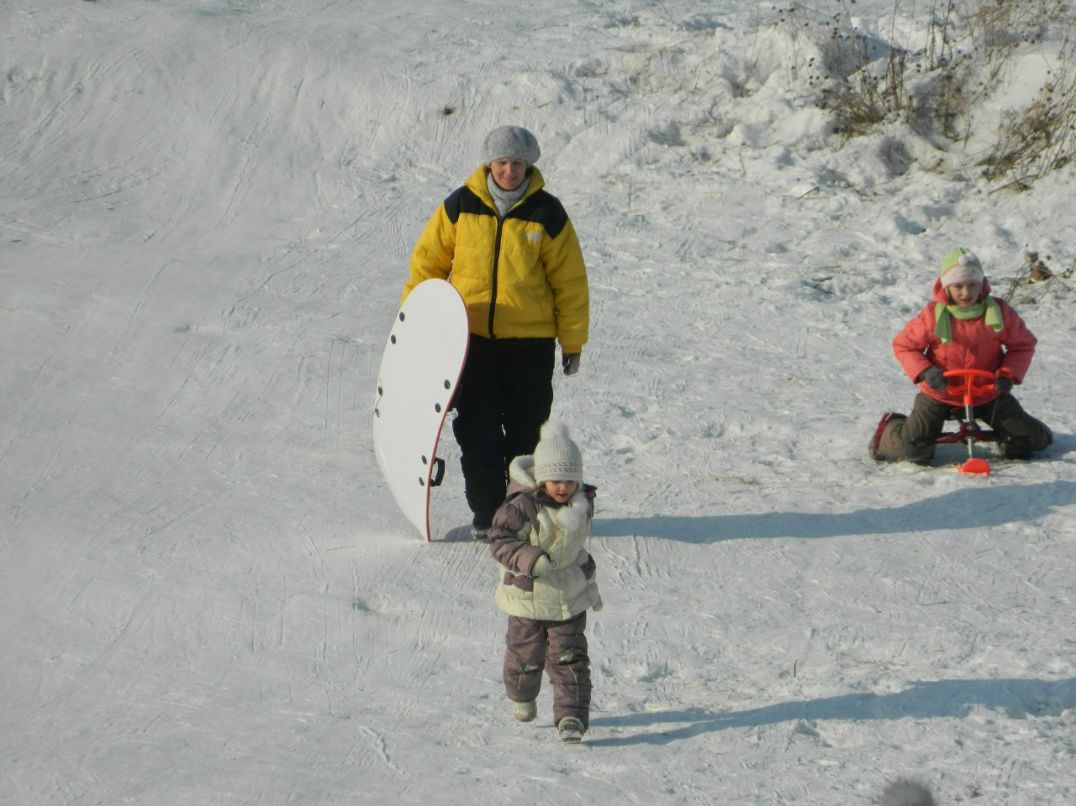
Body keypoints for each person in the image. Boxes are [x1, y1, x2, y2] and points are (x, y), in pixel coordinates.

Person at [402, 125, 590, 541]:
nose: (509, 170)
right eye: (502, 162)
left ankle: (519, 513)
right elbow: (427, 266)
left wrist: (572, 341)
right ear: (489, 163)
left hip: (530, 344)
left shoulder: (548, 213)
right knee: (478, 431)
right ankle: (488, 515)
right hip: (472, 343)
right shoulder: (460, 206)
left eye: (518, 163)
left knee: (526, 434)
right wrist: (416, 331)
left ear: (529, 166)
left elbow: (571, 281)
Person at [871, 246, 1052, 463]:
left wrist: (1008, 373)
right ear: (946, 287)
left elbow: (1022, 345)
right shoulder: (932, 315)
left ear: (982, 284)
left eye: (972, 285)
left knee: (1028, 443)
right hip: (940, 391)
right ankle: (893, 427)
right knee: (914, 450)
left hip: (987, 391)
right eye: (958, 286)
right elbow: (904, 345)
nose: (966, 293)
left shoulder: (999, 312)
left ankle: (1029, 430)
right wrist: (925, 370)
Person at [487, 420, 602, 743]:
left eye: (569, 480)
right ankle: (522, 696)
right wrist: (531, 559)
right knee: (525, 656)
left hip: (569, 595)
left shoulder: (581, 503)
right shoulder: (521, 506)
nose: (562, 487)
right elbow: (500, 540)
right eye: (555, 480)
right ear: (541, 477)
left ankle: (571, 718)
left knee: (571, 657)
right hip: (528, 597)